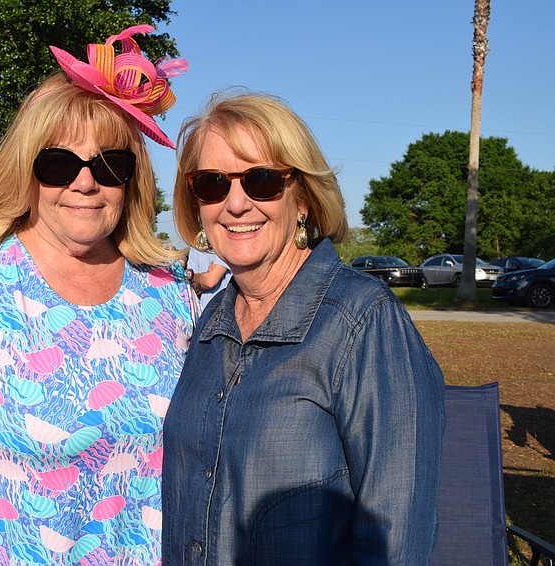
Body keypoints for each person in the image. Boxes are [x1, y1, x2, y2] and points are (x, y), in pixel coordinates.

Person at [0, 25, 195, 566]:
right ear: (27, 173)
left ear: (132, 180)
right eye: (58, 164)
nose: (85, 182)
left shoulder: (171, 293)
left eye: (110, 165)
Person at [162, 92, 445, 564]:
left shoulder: (364, 322)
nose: (235, 204)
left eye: (262, 180)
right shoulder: (211, 322)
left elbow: (395, 536)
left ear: (304, 200)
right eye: (212, 183)